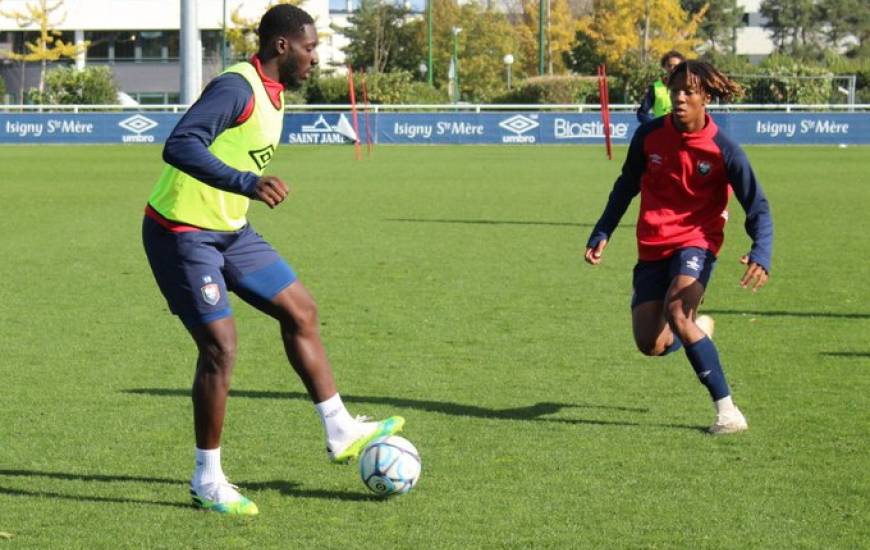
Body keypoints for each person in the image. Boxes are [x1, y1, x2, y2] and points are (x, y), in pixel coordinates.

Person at [142, 4, 404, 516]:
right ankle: (207, 479)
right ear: (282, 46)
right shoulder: (237, 88)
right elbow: (179, 144)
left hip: (230, 230)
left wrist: (240, 193)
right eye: (310, 48)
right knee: (220, 348)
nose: (315, 58)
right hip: (182, 233)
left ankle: (339, 428)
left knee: (300, 310)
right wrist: (246, 183)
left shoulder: (274, 93)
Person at [585, 60, 773, 434]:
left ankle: (727, 412)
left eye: (688, 91)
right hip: (653, 243)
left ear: (706, 96)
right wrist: (603, 229)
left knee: (678, 310)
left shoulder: (725, 150)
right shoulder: (649, 137)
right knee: (650, 343)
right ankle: (696, 330)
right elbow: (626, 185)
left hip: (698, 242)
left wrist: (761, 252)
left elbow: (757, 205)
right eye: (675, 91)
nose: (680, 98)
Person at [636, 50, 685, 124]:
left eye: (676, 66)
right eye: (669, 65)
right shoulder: (655, 88)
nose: (672, 68)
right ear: (664, 67)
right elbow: (642, 113)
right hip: (663, 131)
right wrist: (654, 126)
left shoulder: (688, 87)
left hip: (683, 131)